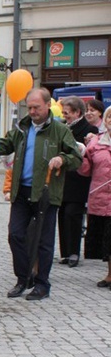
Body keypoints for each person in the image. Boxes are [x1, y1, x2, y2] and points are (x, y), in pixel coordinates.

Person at [0, 88, 82, 300]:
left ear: (47, 106)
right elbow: (4, 146)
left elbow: (76, 157)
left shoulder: (59, 130)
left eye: (37, 107)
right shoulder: (21, 128)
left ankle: (42, 283)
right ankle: (24, 278)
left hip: (46, 192)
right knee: (15, 235)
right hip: (21, 191)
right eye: (30, 107)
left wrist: (62, 159)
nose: (32, 111)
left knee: (43, 241)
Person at [57, 96, 97, 267]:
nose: (65, 116)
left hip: (78, 180)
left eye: (67, 113)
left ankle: (74, 252)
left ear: (77, 112)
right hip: (62, 179)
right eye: (63, 113)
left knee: (73, 214)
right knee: (62, 215)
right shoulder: (61, 127)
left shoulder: (90, 129)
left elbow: (91, 154)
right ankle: (65, 252)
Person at [78, 106, 111, 288]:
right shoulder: (96, 143)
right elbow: (86, 170)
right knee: (106, 240)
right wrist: (81, 156)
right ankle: (109, 274)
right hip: (100, 198)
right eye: (109, 117)